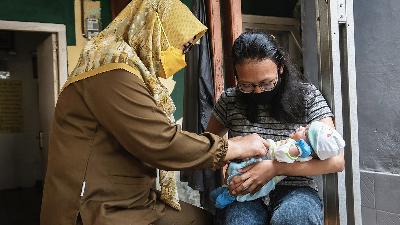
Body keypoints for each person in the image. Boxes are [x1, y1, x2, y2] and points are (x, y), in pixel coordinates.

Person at [40, 1, 269, 225]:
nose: (183, 59)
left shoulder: (128, 71)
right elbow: (162, 142)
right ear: (156, 31)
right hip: (98, 207)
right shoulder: (113, 74)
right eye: (184, 47)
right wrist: (235, 147)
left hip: (133, 199)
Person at [207, 31, 345, 225]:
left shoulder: (307, 96)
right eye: (246, 85)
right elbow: (207, 147)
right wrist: (232, 152)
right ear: (236, 75)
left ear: (280, 68)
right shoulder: (230, 100)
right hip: (245, 190)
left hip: (296, 188)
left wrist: (275, 168)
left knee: (293, 218)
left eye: (266, 83)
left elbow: (336, 161)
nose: (258, 91)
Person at [211, 121, 346, 209]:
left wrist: (291, 152)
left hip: (266, 178)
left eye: (304, 131)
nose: (300, 127)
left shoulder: (296, 151)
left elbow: (280, 154)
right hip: (260, 163)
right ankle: (226, 191)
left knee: (243, 182)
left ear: (306, 145)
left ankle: (228, 195)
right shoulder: (299, 148)